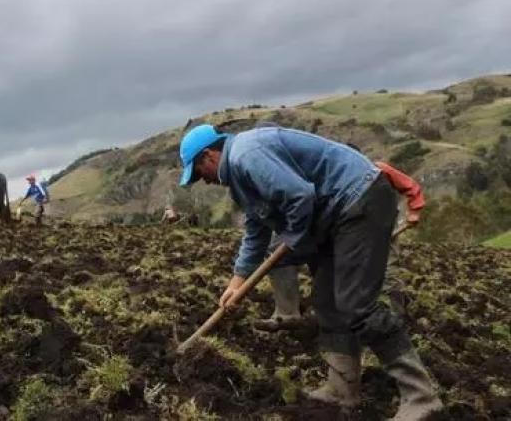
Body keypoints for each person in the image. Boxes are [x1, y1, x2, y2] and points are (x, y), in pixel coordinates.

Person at [178, 124, 442, 420]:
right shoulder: (240, 174)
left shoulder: (247, 156)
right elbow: (256, 228)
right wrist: (237, 282)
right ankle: (342, 389)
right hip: (334, 216)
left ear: (208, 156)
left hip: (359, 200)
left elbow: (300, 196)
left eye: (200, 174)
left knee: (356, 305)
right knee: (327, 301)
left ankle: (422, 397)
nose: (205, 182)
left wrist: (292, 239)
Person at [254, 156, 426, 332]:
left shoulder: (375, 169)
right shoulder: (323, 174)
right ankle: (293, 313)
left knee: (386, 266)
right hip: (345, 221)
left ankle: (395, 316)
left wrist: (415, 210)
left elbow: (410, 185)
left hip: (379, 217)